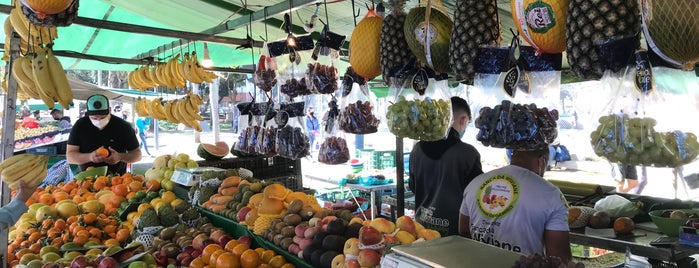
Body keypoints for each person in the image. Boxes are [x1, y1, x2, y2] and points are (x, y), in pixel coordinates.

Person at [459, 148, 571, 261]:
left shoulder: (475, 183)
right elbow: (559, 257)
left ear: (513, 156)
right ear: (542, 160)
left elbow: (463, 231)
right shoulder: (551, 194)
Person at [408, 96, 483, 236]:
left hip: (421, 230)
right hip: (454, 234)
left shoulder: (417, 149)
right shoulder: (468, 153)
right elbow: (476, 197)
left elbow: (412, 186)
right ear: (463, 119)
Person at [66, 94, 142, 175]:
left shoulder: (123, 126)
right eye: (94, 118)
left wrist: (120, 157)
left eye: (103, 117)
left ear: (109, 110)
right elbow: (70, 157)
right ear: (88, 113)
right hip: (86, 179)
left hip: (117, 180)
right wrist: (90, 157)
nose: (99, 121)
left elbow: (137, 155)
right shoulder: (80, 126)